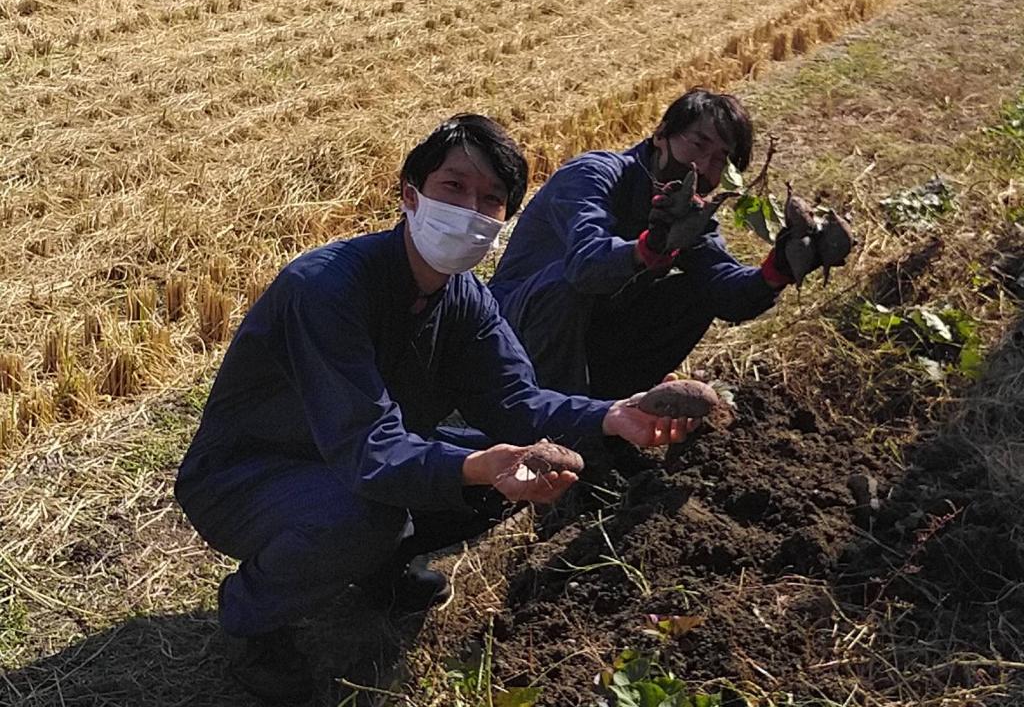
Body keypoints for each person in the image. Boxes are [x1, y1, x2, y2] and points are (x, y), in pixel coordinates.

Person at [174, 115, 692, 703]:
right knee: (374, 514)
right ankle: (252, 622)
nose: (471, 210)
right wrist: (477, 465)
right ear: (410, 195)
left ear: (503, 221)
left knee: (504, 477)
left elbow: (517, 401)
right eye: (454, 187)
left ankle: (377, 572)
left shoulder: (464, 298)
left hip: (344, 466)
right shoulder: (326, 289)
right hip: (246, 478)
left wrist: (611, 414)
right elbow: (368, 447)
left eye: (491, 199)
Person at [489, 88, 803, 399]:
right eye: (698, 145)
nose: (704, 167)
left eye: (721, 159)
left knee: (697, 292)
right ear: (661, 134)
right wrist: (647, 248)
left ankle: (609, 411)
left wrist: (777, 270)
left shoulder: (688, 216)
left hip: (586, 333)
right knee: (565, 286)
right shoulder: (593, 176)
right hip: (511, 328)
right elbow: (585, 267)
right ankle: (561, 426)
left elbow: (725, 291)